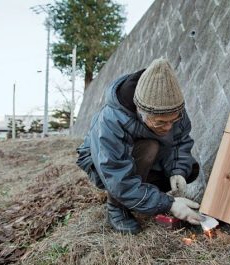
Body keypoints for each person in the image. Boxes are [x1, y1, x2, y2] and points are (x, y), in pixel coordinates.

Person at [76, 58, 202, 234]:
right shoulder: (110, 120)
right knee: (149, 147)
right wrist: (169, 204)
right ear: (140, 112)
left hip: (139, 163)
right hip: (106, 168)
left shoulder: (173, 108)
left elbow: (181, 141)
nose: (168, 127)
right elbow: (115, 173)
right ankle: (116, 207)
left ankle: (144, 196)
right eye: (160, 122)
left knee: (190, 169)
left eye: (173, 120)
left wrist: (177, 171)